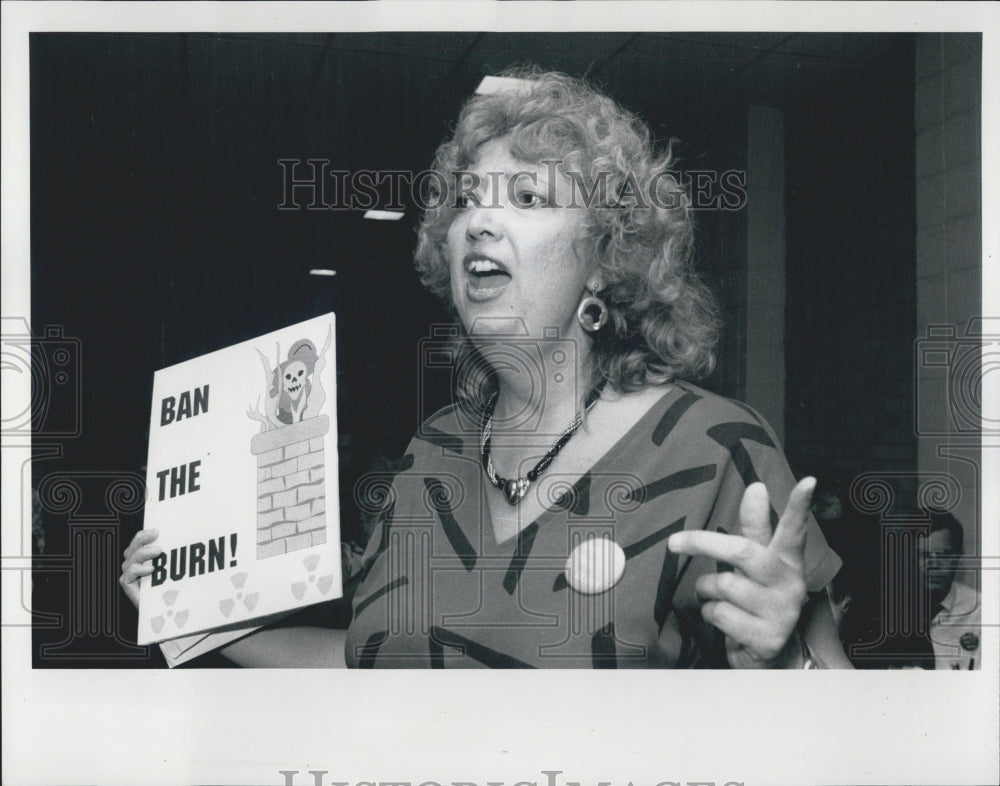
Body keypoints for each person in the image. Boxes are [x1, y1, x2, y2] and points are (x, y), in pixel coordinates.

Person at [122, 67, 849, 669]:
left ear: (604, 260)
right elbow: (370, 669)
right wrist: (196, 614)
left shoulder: (716, 448)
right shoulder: (430, 451)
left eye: (528, 198)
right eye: (469, 199)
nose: (479, 220)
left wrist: (787, 657)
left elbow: (854, 730)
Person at [917, 510, 981, 670]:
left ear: (958, 557)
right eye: (924, 555)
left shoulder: (981, 612)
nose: (933, 565)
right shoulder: (884, 611)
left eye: (944, 555)